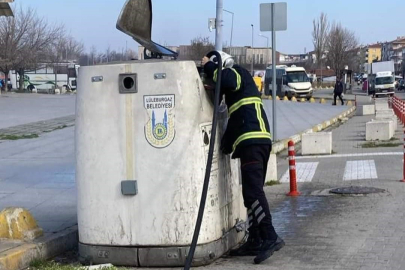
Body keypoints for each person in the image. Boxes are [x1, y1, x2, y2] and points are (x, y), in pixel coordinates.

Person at [202, 52, 284, 265]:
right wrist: (224, 147)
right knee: (250, 193)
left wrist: (209, 67)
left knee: (253, 191)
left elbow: (227, 79)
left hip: (252, 142)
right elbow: (236, 120)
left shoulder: (237, 73)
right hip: (255, 141)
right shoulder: (238, 96)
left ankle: (270, 236)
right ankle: (255, 240)